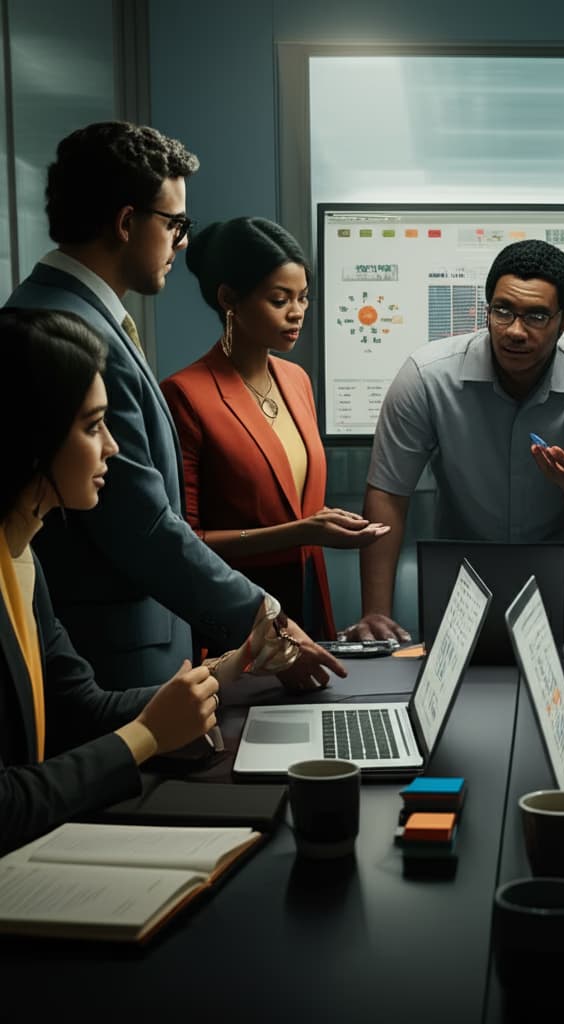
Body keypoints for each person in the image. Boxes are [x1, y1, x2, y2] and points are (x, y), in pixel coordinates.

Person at [3, 121, 343, 691]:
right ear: (127, 222)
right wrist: (267, 620)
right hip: (112, 657)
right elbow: (142, 525)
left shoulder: (72, 312)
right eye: (175, 224)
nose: (182, 242)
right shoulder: (71, 331)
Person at [0, 308, 218, 855]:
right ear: (33, 435)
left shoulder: (22, 554)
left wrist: (226, 681)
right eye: (93, 426)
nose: (113, 447)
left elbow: (81, 709)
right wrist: (147, 736)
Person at [345, 238, 564, 642]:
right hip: (458, 579)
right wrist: (375, 611)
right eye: (503, 311)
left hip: (556, 586)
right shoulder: (428, 377)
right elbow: (389, 493)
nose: (515, 331)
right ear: (487, 308)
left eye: (535, 316)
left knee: (561, 697)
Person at [160, 217, 388, 638]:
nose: (297, 312)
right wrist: (301, 531)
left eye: (303, 297)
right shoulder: (186, 395)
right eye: (280, 299)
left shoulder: (296, 381)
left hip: (308, 596)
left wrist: (319, 524)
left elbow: (294, 503)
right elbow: (185, 543)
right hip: (239, 607)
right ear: (229, 298)